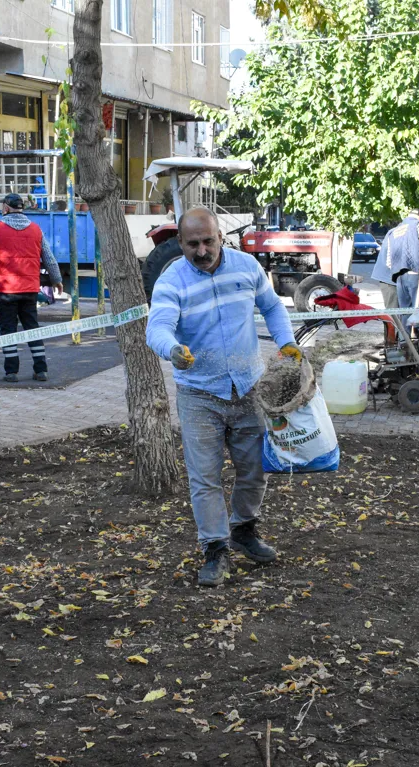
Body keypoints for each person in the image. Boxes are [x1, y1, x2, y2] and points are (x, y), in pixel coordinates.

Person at [146, 207, 300, 588]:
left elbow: (273, 307)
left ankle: (244, 529)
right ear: (179, 243)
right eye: (193, 244)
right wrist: (172, 349)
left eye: (208, 241)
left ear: (221, 237)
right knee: (205, 478)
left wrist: (287, 343)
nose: (202, 251)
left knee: (254, 469)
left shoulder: (247, 268)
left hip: (249, 387)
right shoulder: (171, 281)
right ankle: (215, 548)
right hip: (200, 394)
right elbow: (158, 328)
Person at [0, 193, 63, 382]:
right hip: (29, 289)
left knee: (8, 330)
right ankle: (41, 370)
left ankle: (11, 372)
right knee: (33, 328)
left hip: (5, 290)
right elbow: (49, 258)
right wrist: (56, 279)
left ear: (6, 208)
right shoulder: (36, 230)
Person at [371, 210, 419, 309]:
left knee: (401, 310)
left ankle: (402, 324)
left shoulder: (398, 229)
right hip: (388, 278)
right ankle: (396, 325)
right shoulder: (416, 225)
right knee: (394, 311)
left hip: (396, 274)